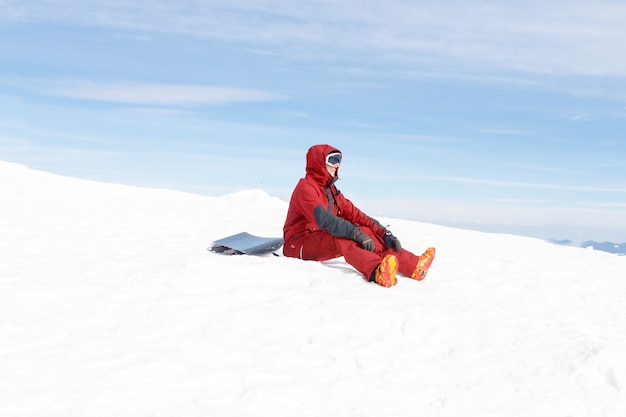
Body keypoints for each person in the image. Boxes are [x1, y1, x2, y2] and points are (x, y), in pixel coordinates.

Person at [283, 144, 435, 287]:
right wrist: (354, 233)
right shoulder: (305, 187)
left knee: (366, 231)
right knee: (342, 237)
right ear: (319, 162)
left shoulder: (331, 191)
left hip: (318, 237)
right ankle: (378, 272)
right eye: (332, 160)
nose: (337, 165)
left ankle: (414, 266)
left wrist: (384, 233)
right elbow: (325, 219)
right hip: (298, 244)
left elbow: (357, 215)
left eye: (339, 160)